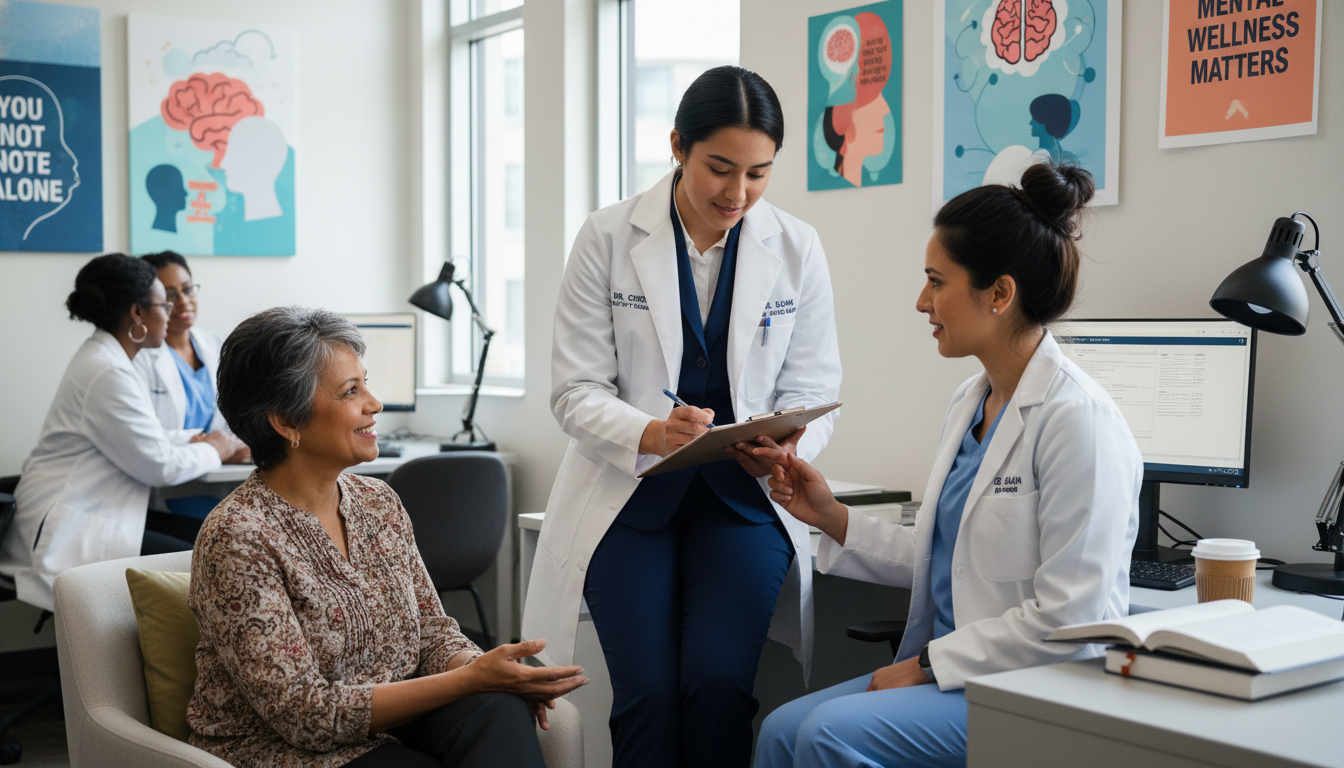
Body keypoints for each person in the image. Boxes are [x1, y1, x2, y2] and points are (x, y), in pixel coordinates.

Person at [752, 161, 1142, 768]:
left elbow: (1075, 617)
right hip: (960, 672)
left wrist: (930, 663)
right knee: (780, 730)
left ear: (999, 294)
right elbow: (952, 562)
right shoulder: (971, 401)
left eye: (937, 281)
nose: (921, 301)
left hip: (1036, 685)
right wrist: (831, 518)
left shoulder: (1077, 420)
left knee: (828, 734)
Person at [522, 65, 843, 768]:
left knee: (718, 683)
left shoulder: (796, 247)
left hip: (741, 500)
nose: (737, 194)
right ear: (677, 146)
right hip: (629, 496)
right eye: (719, 169)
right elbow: (574, 389)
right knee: (646, 695)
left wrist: (788, 443)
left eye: (758, 174)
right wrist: (647, 432)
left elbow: (817, 384)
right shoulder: (607, 238)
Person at [189, 306, 588, 767]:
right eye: (351, 391)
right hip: (287, 749)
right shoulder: (237, 536)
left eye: (366, 383)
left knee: (499, 710)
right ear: (286, 421)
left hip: (394, 720)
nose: (374, 403)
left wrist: (489, 674)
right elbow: (305, 715)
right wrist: (469, 680)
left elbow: (433, 634)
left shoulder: (378, 500)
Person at [0, 255, 242, 612]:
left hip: (103, 515)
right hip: (72, 529)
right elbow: (158, 466)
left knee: (211, 543)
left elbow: (145, 435)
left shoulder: (109, 360)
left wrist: (195, 440)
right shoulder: (106, 372)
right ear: (138, 315)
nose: (172, 312)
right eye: (164, 303)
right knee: (210, 558)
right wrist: (217, 448)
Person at [133, 251, 248, 461]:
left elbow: (244, 415)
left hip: (220, 474)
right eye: (169, 294)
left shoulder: (219, 345)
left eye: (187, 289)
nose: (183, 302)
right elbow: (141, 437)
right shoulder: (138, 357)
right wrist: (215, 446)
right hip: (169, 475)